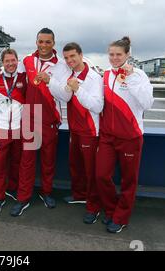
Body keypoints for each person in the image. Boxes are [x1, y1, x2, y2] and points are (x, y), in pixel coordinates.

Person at [0, 28, 71, 216]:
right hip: (29, 119)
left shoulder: (62, 66)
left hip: (49, 120)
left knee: (48, 161)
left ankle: (46, 192)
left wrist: (50, 81)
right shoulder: (27, 60)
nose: (43, 45)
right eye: (40, 41)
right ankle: (23, 198)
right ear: (36, 42)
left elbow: (66, 96)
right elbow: (11, 70)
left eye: (47, 42)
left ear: (53, 43)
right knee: (26, 162)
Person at [96, 37, 154, 233]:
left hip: (130, 137)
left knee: (128, 180)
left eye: (118, 54)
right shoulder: (105, 75)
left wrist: (129, 78)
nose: (114, 58)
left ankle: (121, 217)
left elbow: (147, 103)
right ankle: (112, 210)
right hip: (107, 136)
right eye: (111, 54)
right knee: (102, 175)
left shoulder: (138, 75)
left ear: (127, 54)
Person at [51, 42, 104, 223]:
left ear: (81, 55)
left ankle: (94, 206)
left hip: (89, 130)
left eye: (73, 56)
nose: (69, 60)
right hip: (75, 129)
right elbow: (64, 96)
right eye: (66, 58)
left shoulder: (94, 78)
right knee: (76, 165)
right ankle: (80, 194)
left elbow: (97, 106)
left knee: (91, 171)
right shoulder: (71, 75)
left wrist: (78, 89)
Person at [0, 48, 27, 213]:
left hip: (18, 128)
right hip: (1, 128)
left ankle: (13, 188)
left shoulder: (24, 77)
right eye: (7, 61)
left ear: (18, 60)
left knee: (17, 162)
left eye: (13, 60)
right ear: (2, 63)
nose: (10, 64)